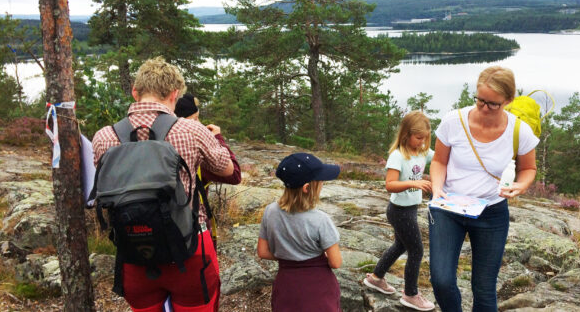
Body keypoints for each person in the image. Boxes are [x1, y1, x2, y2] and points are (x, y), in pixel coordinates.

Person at [93, 57, 234, 312]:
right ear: (174, 94)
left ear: (135, 92)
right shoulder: (191, 130)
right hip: (190, 248)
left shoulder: (104, 136)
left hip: (134, 251)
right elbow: (227, 169)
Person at [429, 66, 539, 312]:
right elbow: (439, 161)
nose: (484, 108)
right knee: (442, 280)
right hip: (448, 207)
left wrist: (520, 186)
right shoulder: (453, 121)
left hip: (491, 212)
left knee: (484, 288)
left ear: (508, 101)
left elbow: (528, 169)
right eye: (480, 100)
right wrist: (437, 189)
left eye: (493, 104)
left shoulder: (520, 130)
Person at [363, 111, 436, 311]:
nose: (422, 142)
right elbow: (390, 184)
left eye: (425, 138)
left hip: (410, 208)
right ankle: (411, 294)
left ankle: (376, 278)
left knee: (400, 245)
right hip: (399, 211)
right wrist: (417, 182)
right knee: (416, 250)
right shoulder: (398, 156)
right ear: (406, 134)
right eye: (419, 138)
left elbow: (439, 158)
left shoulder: (422, 151)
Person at [257, 152, 343, 312]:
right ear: (307, 188)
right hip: (318, 290)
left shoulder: (270, 212)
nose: (323, 182)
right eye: (320, 180)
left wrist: (288, 255)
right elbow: (336, 263)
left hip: (286, 285)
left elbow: (262, 252)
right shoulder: (321, 220)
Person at [174, 93, 242, 246]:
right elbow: (234, 175)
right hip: (193, 227)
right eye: (195, 119)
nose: (199, 124)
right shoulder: (194, 149)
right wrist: (217, 139)